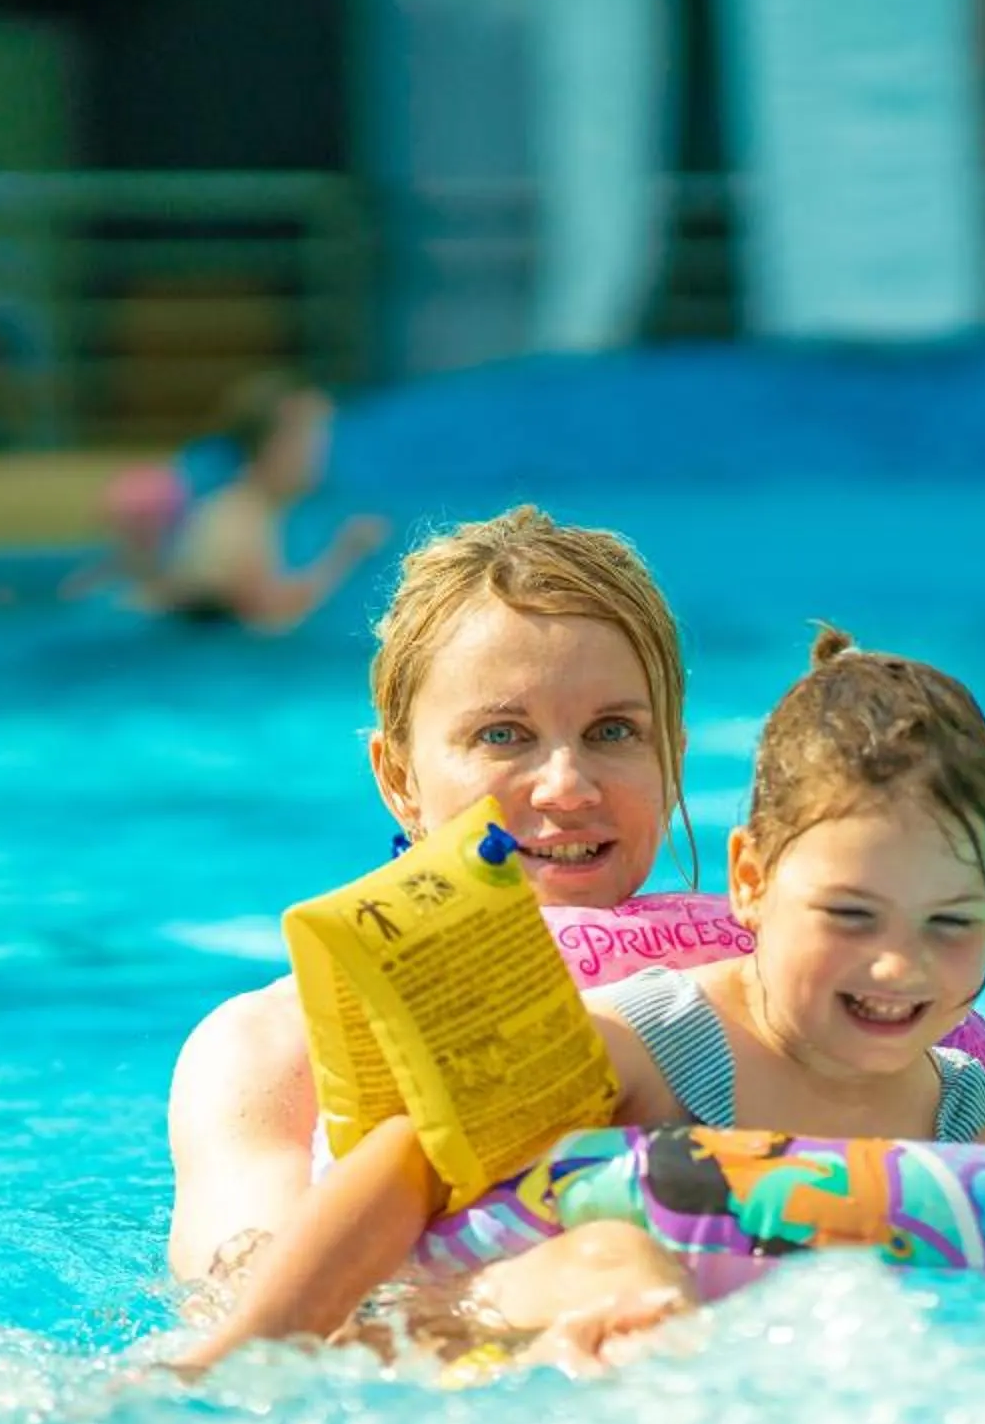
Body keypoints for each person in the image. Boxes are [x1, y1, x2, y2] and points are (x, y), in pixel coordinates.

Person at [169, 625, 985, 1380]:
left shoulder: (968, 1111)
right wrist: (246, 1351)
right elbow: (413, 1161)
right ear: (749, 882)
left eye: (949, 923)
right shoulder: (658, 1037)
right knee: (618, 1258)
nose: (896, 969)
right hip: (513, 1316)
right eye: (850, 916)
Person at [166, 505, 696, 1288]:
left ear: (673, 759)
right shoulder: (269, 1052)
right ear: (398, 778)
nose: (568, 787)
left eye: (614, 732)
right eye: (503, 735)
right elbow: (243, 1311)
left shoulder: (772, 994)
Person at [67, 370, 388, 629]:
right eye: (311, 438)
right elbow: (271, 619)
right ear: (277, 445)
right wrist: (346, 553)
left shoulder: (246, 510)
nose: (320, 453)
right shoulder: (238, 518)